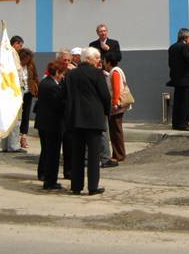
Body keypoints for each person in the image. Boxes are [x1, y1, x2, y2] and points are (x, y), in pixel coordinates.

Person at [65, 47, 111, 195]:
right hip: (93, 119)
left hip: (76, 119)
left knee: (77, 154)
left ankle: (76, 186)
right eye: (97, 58)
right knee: (93, 155)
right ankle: (93, 186)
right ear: (89, 59)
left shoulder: (71, 75)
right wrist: (106, 111)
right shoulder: (97, 74)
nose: (99, 61)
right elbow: (105, 96)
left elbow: (66, 95)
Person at [36, 59, 66, 190]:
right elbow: (59, 105)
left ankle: (47, 177)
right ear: (58, 72)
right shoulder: (53, 86)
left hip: (43, 123)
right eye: (62, 73)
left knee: (47, 151)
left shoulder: (44, 82)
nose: (62, 76)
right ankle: (50, 181)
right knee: (52, 154)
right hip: (52, 124)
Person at [167, 28, 189, 131]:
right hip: (185, 78)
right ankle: (183, 123)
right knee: (184, 102)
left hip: (175, 77)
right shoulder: (184, 47)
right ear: (186, 37)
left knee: (177, 102)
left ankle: (176, 123)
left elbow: (170, 63)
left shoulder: (172, 47)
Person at [103, 52, 128, 163]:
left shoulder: (115, 72)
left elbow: (116, 89)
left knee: (116, 131)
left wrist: (114, 104)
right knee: (116, 131)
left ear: (108, 62)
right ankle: (118, 153)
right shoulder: (115, 71)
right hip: (117, 106)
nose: (103, 63)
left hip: (116, 107)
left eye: (104, 61)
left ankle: (119, 155)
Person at [18, 48, 40, 150]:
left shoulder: (31, 65)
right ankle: (13, 138)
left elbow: (35, 77)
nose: (28, 60)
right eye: (26, 59)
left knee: (26, 115)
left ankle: (24, 137)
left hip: (28, 92)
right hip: (17, 93)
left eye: (29, 59)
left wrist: (39, 88)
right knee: (16, 116)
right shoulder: (16, 65)